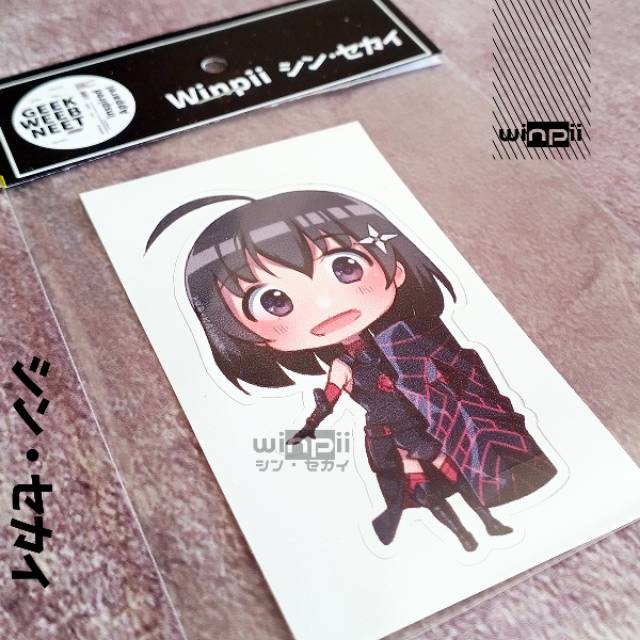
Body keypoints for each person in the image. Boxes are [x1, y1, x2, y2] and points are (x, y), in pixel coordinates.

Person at [146, 190, 557, 549]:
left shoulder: (406, 342)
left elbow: (456, 374)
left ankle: (488, 520)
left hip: (428, 420)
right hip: (391, 433)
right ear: (240, 331)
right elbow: (328, 400)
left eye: (346, 267)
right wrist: (308, 428)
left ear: (395, 267)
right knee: (422, 488)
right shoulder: (344, 364)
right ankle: (465, 534)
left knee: (454, 469)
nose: (325, 304)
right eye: (273, 301)